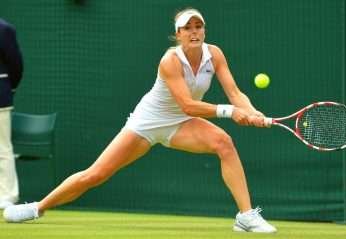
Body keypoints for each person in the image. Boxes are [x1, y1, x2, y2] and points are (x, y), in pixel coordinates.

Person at [3, 8, 276, 233]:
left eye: (198, 26)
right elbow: (188, 104)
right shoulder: (170, 61)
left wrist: (253, 112)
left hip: (180, 124)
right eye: (187, 28)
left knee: (223, 143)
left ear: (204, 30)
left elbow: (236, 93)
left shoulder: (214, 54)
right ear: (178, 34)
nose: (194, 32)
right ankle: (36, 208)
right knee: (95, 174)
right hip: (148, 122)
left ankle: (245, 215)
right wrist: (230, 112)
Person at [0, 18, 23, 209]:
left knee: (2, 148)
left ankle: (7, 196)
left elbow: (15, 64)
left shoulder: (5, 29)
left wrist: (8, 88)